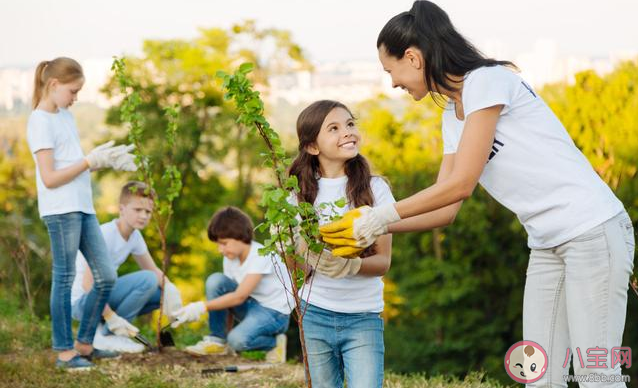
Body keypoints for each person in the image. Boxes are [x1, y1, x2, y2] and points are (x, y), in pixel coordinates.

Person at [320, 2, 635, 386]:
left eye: (391, 71)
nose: (393, 83)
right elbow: (445, 206)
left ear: (413, 58)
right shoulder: (452, 116)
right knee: (540, 375)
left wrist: (378, 216)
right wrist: (369, 231)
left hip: (592, 230)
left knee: (595, 373)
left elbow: (462, 183)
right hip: (547, 242)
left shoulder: (487, 80)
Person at [26, 57, 137, 370]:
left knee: (106, 275)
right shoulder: (40, 121)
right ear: (54, 84)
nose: (75, 97)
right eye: (73, 91)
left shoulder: (64, 116)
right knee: (64, 278)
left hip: (83, 206)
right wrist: (90, 161)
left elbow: (72, 164)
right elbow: (49, 178)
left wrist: (104, 160)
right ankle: (64, 352)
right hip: (61, 210)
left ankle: (85, 344)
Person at [289, 100, 394, 388]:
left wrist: (348, 264)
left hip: (363, 317)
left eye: (350, 124)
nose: (347, 132)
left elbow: (383, 263)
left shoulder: (376, 189)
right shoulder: (296, 196)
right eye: (333, 128)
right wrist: (294, 248)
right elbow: (296, 273)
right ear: (312, 146)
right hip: (314, 313)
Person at [71, 181, 183, 353]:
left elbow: (153, 269)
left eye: (148, 211)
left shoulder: (135, 237)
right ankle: (110, 335)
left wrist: (171, 290)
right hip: (82, 302)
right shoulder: (106, 234)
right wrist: (111, 317)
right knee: (148, 280)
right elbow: (87, 284)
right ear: (121, 209)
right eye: (138, 210)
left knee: (160, 294)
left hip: (102, 297)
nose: (144, 216)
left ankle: (103, 333)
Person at [172, 206, 292, 363]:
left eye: (224, 243)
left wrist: (200, 307)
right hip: (251, 305)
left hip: (274, 313)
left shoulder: (260, 255)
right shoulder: (230, 257)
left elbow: (239, 297)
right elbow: (227, 298)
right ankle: (217, 341)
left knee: (237, 340)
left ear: (240, 236)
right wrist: (224, 337)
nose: (220, 249)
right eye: (218, 244)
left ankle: (274, 344)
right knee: (216, 281)